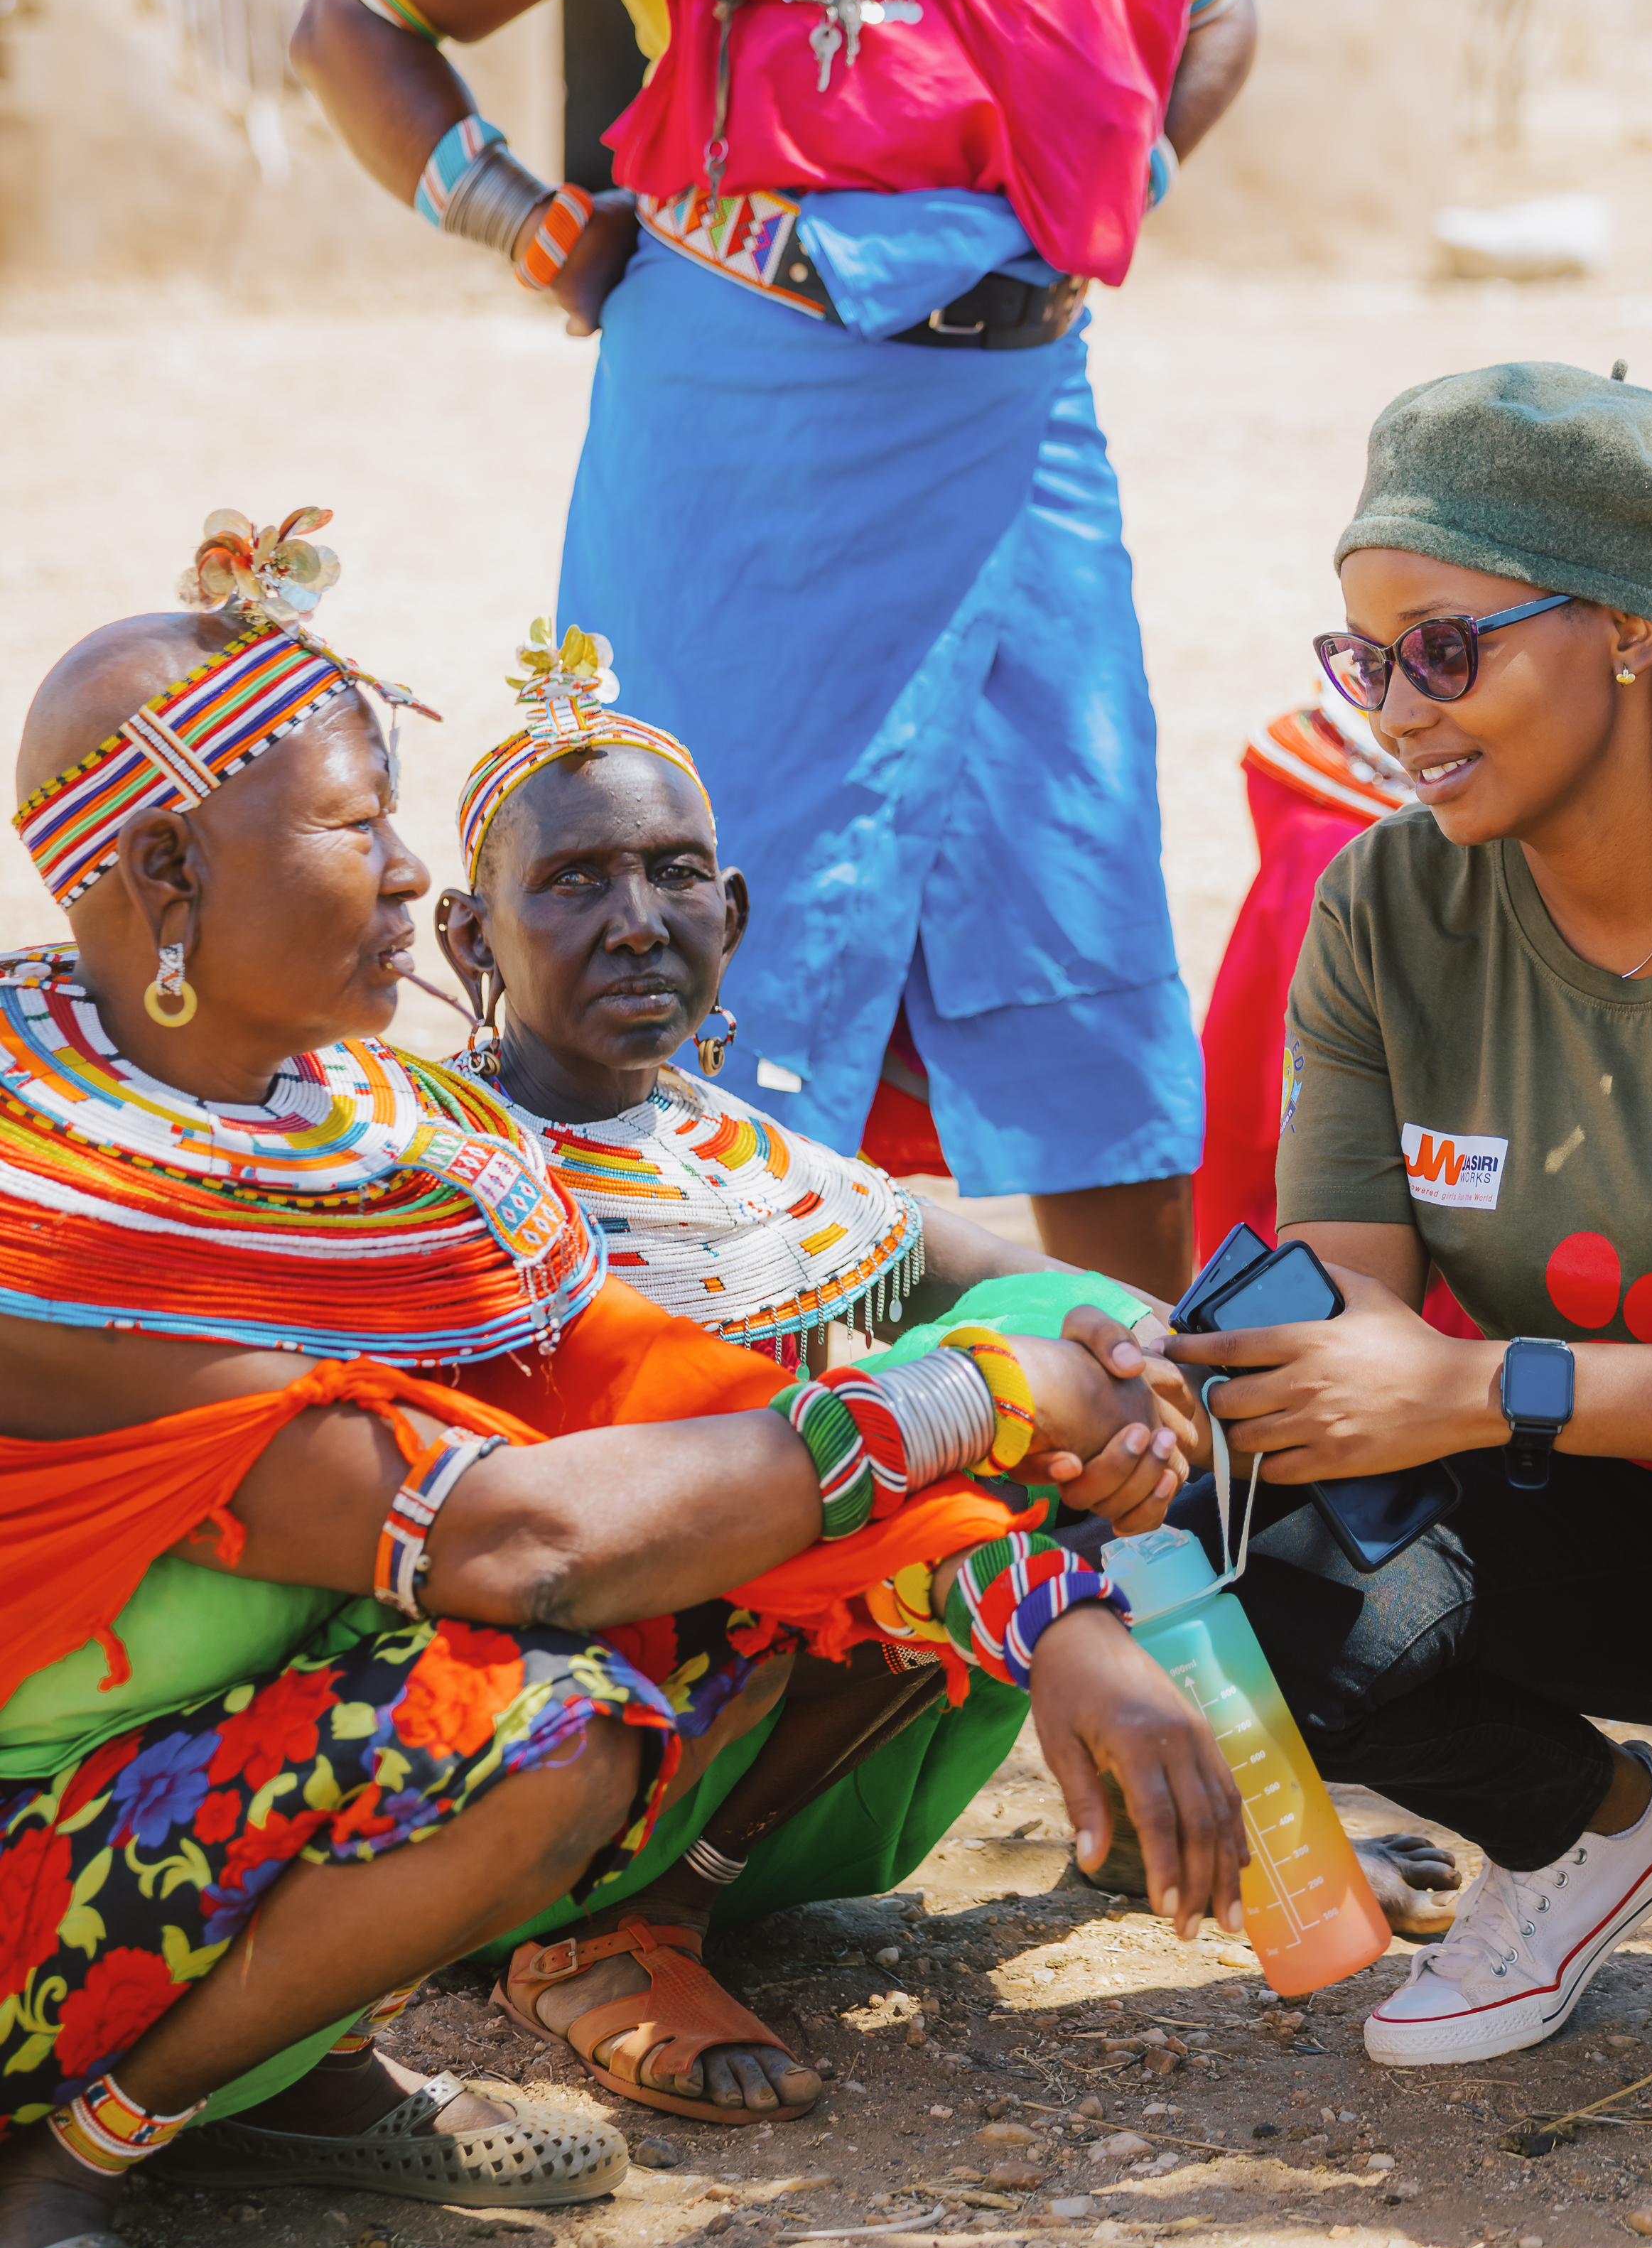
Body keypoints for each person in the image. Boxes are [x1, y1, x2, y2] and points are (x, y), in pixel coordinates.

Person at [0, 509, 1244, 2248]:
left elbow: (671, 1405)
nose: (411, 878)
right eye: (359, 831)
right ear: (167, 872)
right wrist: (974, 1407)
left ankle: (294, 2071)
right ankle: (54, 2183)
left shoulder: (394, 1170)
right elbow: (517, 1545)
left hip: (179, 1769)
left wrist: (1051, 1602)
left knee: (701, 1564)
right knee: (536, 1706)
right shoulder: (53, 1235)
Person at [289, 0, 1260, 1304]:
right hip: (743, 428)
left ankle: (1155, 1442)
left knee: (1066, 888)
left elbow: (1219, 6)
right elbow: (358, 19)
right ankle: (730, 1421)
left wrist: (1108, 188)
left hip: (1022, 429)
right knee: (684, 903)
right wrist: (532, 228)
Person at [432, 625, 1463, 1983]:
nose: (638, 920)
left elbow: (1054, 1302)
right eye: (572, 881)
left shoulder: (751, 1161)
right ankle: (635, 1928)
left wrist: (1160, 1377)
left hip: (801, 1690)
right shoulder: (442, 1176)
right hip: (530, 1766)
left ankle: (1191, 1801)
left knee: (1078, 1341)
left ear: (732, 917)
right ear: (469, 935)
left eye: (674, 875)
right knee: (959, 1417)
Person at [1166, 360, 1652, 2120]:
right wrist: (1216, 1388)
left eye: (1444, 647)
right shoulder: (1389, 902)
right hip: (1579, 1491)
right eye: (1363, 657)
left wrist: (1476, 1378)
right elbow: (1345, 1294)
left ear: (1622, 630)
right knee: (1211, 1518)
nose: (1393, 710)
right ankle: (1570, 1830)